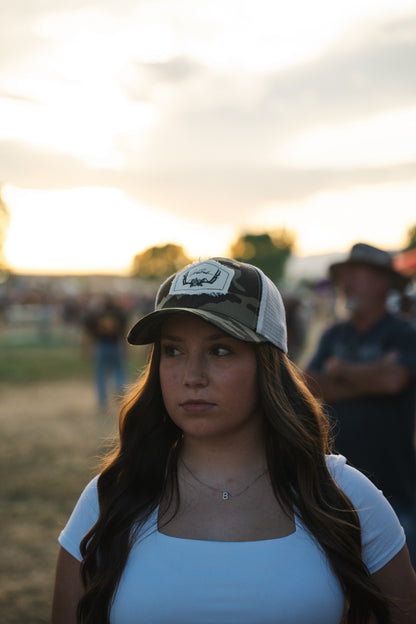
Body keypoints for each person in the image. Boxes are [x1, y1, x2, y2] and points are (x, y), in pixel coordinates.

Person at [52, 257, 416, 624]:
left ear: (267, 364)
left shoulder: (345, 498)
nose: (192, 376)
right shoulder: (108, 498)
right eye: (173, 350)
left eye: (220, 350)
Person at [305, 242, 416, 567]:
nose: (346, 283)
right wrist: (372, 379)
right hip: (334, 491)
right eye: (344, 276)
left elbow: (393, 381)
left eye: (356, 275)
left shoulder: (403, 334)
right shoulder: (334, 333)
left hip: (394, 490)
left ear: (382, 283)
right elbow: (308, 383)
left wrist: (340, 371)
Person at [82, 294, 128, 409]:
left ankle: (102, 399)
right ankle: (119, 391)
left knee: (100, 374)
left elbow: (89, 330)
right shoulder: (118, 313)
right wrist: (126, 347)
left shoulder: (97, 314)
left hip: (101, 345)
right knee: (118, 370)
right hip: (115, 344)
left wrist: (86, 347)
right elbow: (124, 330)